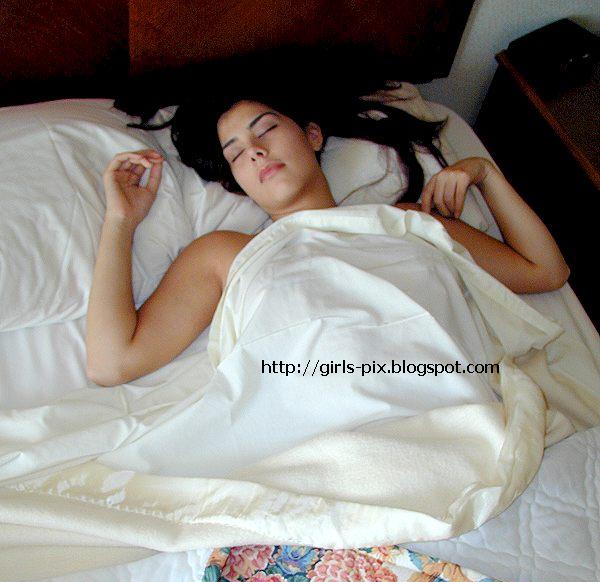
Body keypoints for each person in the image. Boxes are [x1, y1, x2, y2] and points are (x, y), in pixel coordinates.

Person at [86, 97, 570, 388]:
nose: (256, 152)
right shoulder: (226, 254)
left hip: (444, 400)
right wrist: (121, 221)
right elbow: (111, 363)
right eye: (236, 155)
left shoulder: (404, 221)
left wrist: (482, 172)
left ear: (313, 135)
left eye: (266, 129)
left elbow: (546, 272)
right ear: (238, 183)